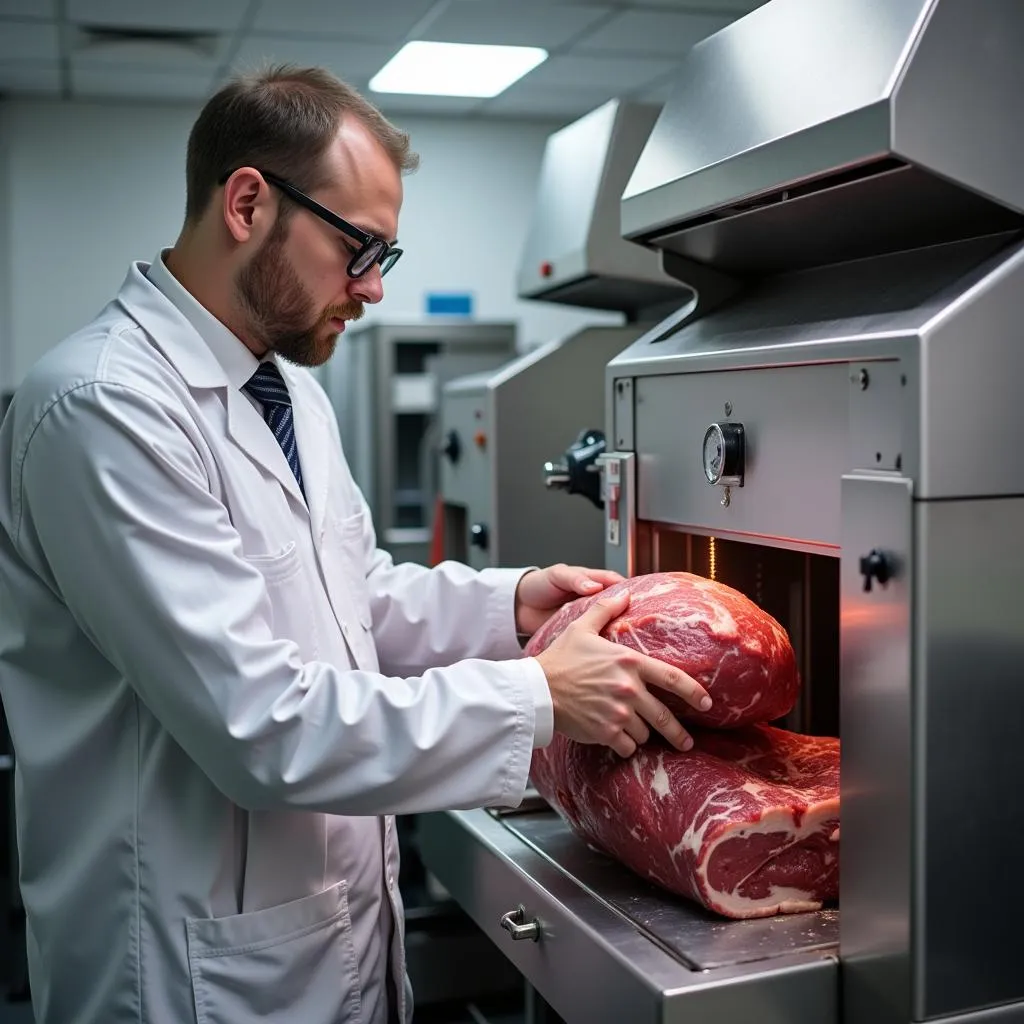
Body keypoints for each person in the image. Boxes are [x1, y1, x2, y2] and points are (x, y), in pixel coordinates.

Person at [0, 66, 711, 1024]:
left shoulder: (286, 388)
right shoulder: (106, 409)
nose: (373, 287)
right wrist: (537, 696)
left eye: (388, 253)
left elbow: (353, 598)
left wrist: (510, 604)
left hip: (320, 940)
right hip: (183, 971)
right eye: (358, 247)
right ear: (248, 202)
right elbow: (260, 725)